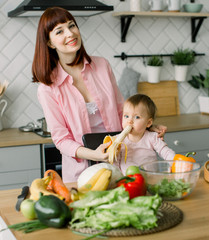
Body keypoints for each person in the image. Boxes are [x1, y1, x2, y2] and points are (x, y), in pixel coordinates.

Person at [32, 7, 166, 182]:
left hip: (122, 162)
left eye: (72, 26)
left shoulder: (102, 65)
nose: (70, 33)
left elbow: (121, 111)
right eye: (60, 31)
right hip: (82, 173)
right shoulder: (47, 88)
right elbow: (61, 139)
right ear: (50, 43)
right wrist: (94, 155)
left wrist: (144, 126)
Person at [113, 94, 176, 174]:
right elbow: (114, 163)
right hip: (127, 181)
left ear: (148, 123)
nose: (130, 121)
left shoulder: (152, 137)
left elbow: (166, 152)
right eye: (126, 116)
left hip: (150, 179)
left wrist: (176, 163)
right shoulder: (117, 141)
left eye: (137, 117)